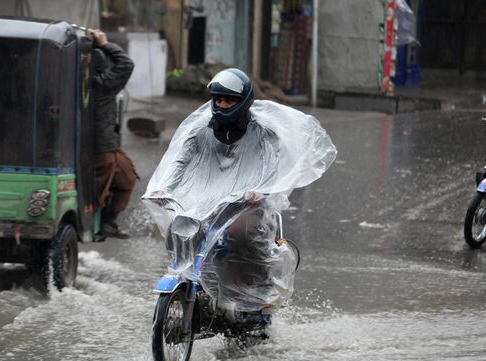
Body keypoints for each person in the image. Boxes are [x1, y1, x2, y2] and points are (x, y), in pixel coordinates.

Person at [143, 68, 337, 311]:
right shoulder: (200, 131)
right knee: (178, 227)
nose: (223, 104)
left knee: (241, 232)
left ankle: (259, 286)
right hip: (205, 202)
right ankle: (189, 278)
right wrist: (164, 188)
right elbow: (180, 162)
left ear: (243, 100)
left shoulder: (263, 132)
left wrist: (259, 190)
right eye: (218, 99)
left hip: (246, 203)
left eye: (229, 99)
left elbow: (270, 165)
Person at [87, 28, 138, 239]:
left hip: (108, 145)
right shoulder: (102, 85)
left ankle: (109, 222)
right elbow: (127, 64)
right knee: (100, 189)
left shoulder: (84, 84)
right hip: (102, 147)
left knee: (127, 178)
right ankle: (97, 223)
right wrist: (105, 43)